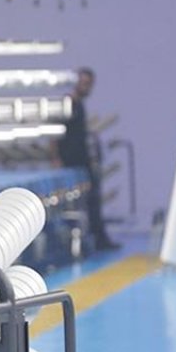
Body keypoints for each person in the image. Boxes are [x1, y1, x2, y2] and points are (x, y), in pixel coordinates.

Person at [56, 67, 120, 251]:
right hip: (70, 162)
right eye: (84, 83)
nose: (86, 87)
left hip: (81, 161)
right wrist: (57, 160)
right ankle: (92, 239)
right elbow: (55, 134)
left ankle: (98, 238)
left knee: (93, 200)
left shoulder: (80, 105)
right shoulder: (69, 104)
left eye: (89, 84)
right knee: (81, 202)